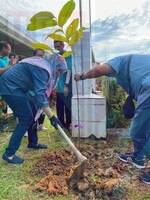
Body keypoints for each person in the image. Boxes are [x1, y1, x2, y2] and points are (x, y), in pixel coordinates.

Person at [74, 54, 150, 184]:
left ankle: (138, 157)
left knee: (138, 131)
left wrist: (81, 76)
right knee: (144, 128)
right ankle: (138, 158)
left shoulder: (119, 60)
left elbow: (100, 70)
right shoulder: (139, 62)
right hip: (145, 90)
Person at [0, 53, 67, 164]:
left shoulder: (44, 65)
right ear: (54, 64)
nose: (58, 73)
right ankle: (9, 154)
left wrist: (46, 110)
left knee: (33, 112)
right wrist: (52, 117)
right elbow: (40, 94)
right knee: (26, 118)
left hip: (20, 89)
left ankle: (33, 143)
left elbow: (39, 94)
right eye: (59, 70)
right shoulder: (43, 69)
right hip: (10, 87)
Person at [54, 40, 72, 130]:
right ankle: (61, 125)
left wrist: (66, 85)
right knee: (59, 107)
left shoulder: (67, 55)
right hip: (59, 87)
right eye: (55, 47)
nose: (57, 48)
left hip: (66, 87)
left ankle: (68, 125)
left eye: (58, 46)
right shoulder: (57, 56)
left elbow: (69, 70)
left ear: (63, 45)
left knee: (68, 108)